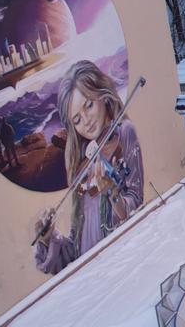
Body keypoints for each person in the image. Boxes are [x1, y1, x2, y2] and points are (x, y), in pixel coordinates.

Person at [31, 61, 143, 276]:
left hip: (120, 267)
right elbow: (75, 250)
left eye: (89, 105)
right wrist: (49, 237)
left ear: (103, 95)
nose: (87, 121)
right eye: (77, 119)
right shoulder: (80, 161)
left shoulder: (125, 132)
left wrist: (112, 192)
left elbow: (136, 208)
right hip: (91, 277)